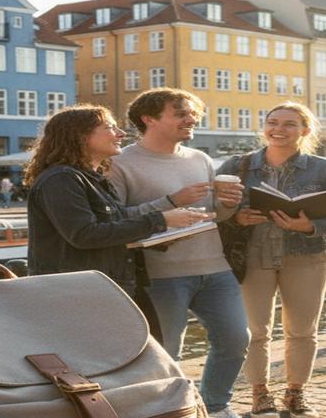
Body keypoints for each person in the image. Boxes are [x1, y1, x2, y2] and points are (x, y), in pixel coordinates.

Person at [110, 88, 249, 418]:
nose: (191, 120)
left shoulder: (200, 158)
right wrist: (172, 200)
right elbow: (117, 219)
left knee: (235, 339)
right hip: (160, 272)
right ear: (149, 119)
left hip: (214, 267)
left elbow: (214, 215)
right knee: (165, 351)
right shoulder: (119, 163)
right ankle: (165, 415)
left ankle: (216, 407)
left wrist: (227, 204)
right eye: (181, 113)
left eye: (192, 113)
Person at [24, 103, 208, 344]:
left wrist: (167, 234)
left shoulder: (95, 178)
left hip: (110, 285)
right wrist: (160, 220)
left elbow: (115, 228)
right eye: (110, 127)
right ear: (81, 136)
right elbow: (84, 235)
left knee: (146, 354)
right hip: (80, 293)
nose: (121, 134)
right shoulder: (61, 179)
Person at [220, 103, 326, 418]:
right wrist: (236, 217)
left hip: (306, 255)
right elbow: (214, 209)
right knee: (255, 330)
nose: (279, 129)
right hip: (253, 255)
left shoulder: (324, 169)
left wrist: (309, 226)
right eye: (272, 121)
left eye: (290, 124)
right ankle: (260, 393)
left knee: (303, 330)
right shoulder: (237, 165)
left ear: (305, 130)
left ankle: (295, 391)